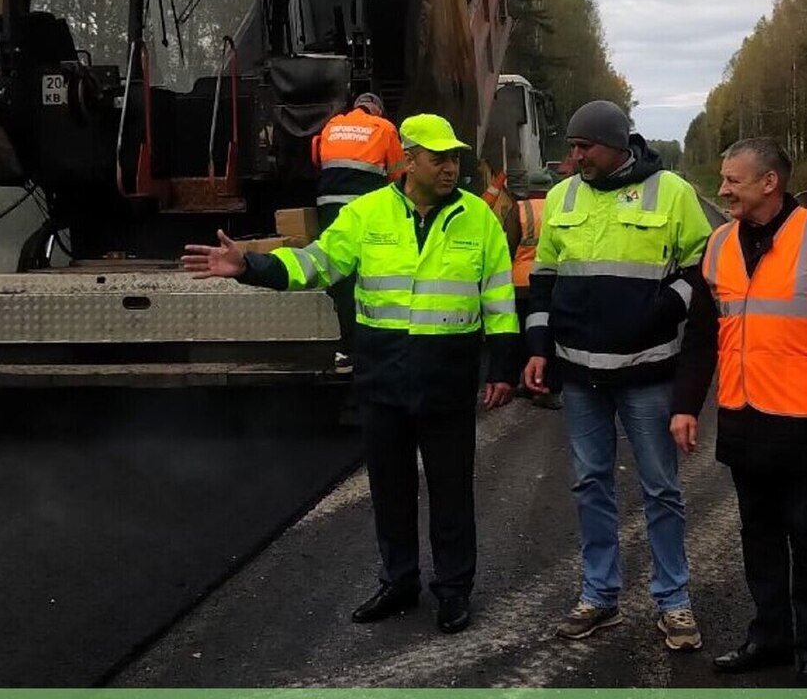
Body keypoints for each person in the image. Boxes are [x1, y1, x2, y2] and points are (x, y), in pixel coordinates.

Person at [184, 113, 520, 635]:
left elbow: (499, 298)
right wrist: (251, 265)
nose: (452, 167)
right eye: (440, 158)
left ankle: (454, 590)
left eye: (455, 157)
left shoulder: (479, 219)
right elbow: (314, 265)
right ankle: (399, 582)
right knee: (390, 490)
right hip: (384, 378)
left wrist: (503, 367)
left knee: (452, 494)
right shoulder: (366, 215)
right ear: (409, 160)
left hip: (447, 382)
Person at [669, 137, 807, 687]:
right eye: (723, 179)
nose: (722, 190)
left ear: (770, 182)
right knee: (758, 534)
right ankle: (770, 636)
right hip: (744, 417)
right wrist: (685, 406)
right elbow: (700, 337)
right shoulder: (718, 245)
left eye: (733, 180)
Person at [522, 100, 712, 651]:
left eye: (585, 147)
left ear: (617, 145)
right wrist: (539, 347)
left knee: (661, 488)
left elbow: (703, 270)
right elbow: (545, 278)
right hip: (579, 376)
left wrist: (658, 313)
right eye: (572, 146)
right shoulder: (562, 196)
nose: (574, 156)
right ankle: (599, 597)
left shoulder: (671, 192)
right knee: (589, 484)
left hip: (648, 372)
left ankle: (674, 602)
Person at [311, 92, 405, 375]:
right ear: (378, 110)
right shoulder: (385, 128)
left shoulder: (331, 126)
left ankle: (346, 350)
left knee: (340, 272)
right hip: (365, 211)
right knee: (372, 273)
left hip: (329, 208)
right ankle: (375, 346)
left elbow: (317, 159)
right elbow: (399, 176)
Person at [511, 170, 559, 409]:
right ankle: (543, 386)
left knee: (521, 335)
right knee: (544, 335)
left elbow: (508, 245)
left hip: (519, 282)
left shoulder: (519, 209)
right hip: (549, 280)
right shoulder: (560, 206)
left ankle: (523, 381)